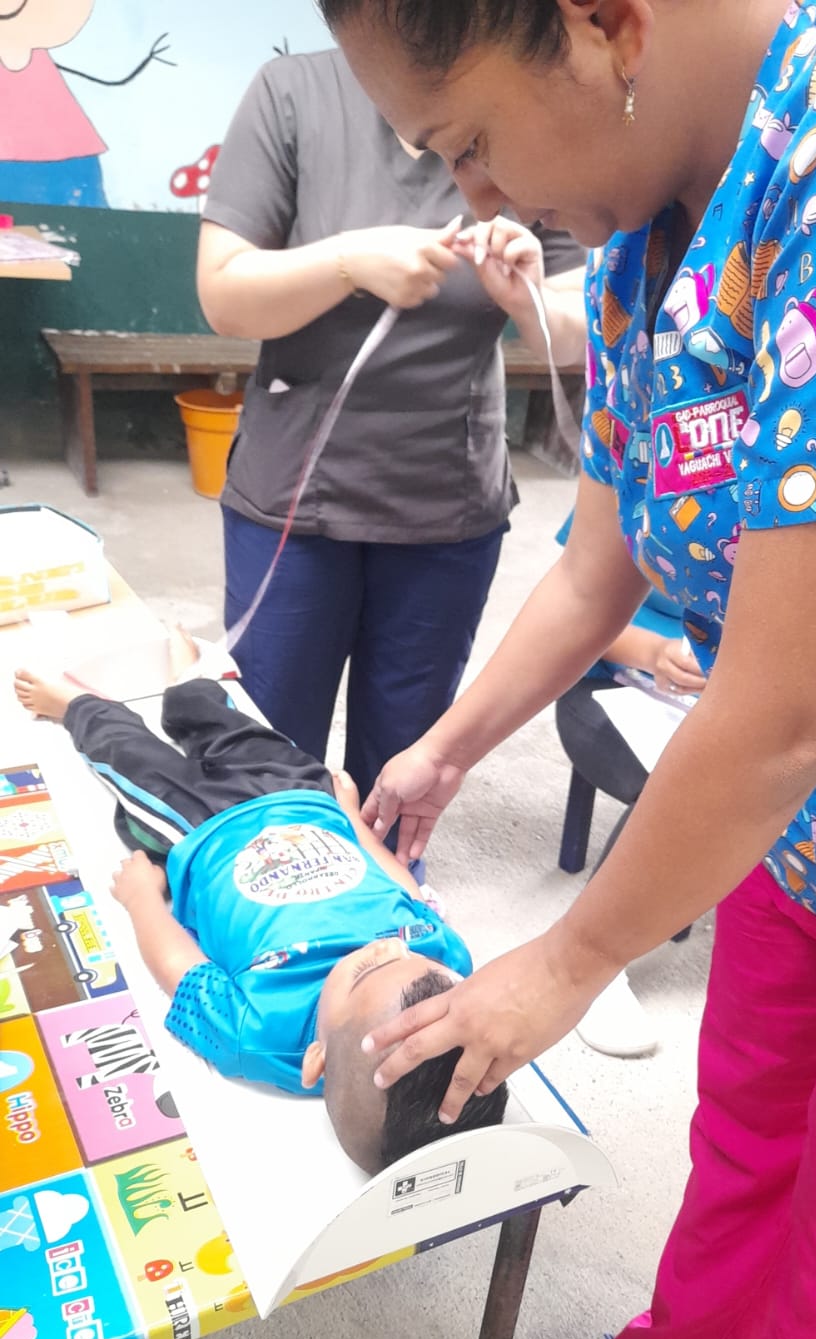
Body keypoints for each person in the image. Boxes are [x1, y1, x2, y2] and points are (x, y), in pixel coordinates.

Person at [314, 3, 816, 1339]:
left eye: (468, 144)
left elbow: (784, 706)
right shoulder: (644, 232)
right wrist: (444, 745)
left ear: (601, 25)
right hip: (790, 834)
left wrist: (569, 958)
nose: (472, 197)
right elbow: (599, 563)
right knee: (744, 1132)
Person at [196, 46, 586, 824]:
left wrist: (526, 296)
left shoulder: (533, 97)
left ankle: (387, 896)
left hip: (446, 510)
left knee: (403, 764)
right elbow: (224, 296)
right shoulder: (295, 92)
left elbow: (577, 336)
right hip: (293, 501)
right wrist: (346, 263)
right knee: (268, 758)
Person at [12, 659, 506, 1176]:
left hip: (199, 829)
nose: (387, 946)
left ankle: (78, 706)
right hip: (305, 801)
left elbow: (181, 970)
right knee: (208, 711)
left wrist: (141, 901)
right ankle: (189, 675)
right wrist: (349, 818)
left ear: (317, 1058)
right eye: (408, 951)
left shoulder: (254, 1034)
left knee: (125, 754)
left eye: (365, 970)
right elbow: (402, 889)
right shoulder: (450, 970)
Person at [554, 511, 707, 1056]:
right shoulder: (643, 474)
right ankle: (592, 967)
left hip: (727, 696)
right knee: (686, 785)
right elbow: (570, 608)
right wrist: (653, 654)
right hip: (613, 681)